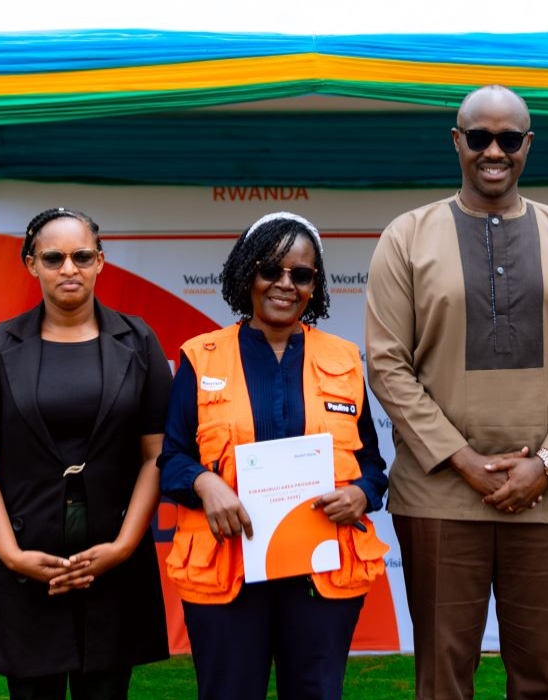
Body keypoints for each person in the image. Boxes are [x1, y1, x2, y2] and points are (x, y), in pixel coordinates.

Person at [364, 84, 548, 700]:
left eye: (509, 139)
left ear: (528, 145)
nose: (493, 151)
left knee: (540, 678)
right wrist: (463, 461)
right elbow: (387, 362)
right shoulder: (407, 236)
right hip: (439, 496)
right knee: (442, 679)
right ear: (457, 141)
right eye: (479, 137)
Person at [159, 211, 389, 700]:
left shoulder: (344, 360)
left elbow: (373, 466)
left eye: (301, 275)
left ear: (314, 286)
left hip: (319, 572)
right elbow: (173, 459)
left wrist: (361, 494)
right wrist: (206, 484)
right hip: (228, 569)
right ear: (248, 274)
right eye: (271, 270)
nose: (285, 285)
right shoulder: (201, 357)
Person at [0, 207, 171, 700]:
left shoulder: (138, 341)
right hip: (26, 564)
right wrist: (11, 555)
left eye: (81, 256)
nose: (68, 269)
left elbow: (155, 455)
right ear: (31, 264)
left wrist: (121, 547)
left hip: (113, 565)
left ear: (101, 261)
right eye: (53, 257)